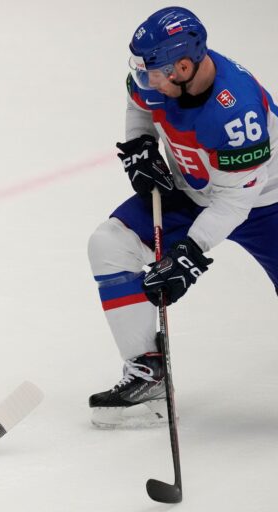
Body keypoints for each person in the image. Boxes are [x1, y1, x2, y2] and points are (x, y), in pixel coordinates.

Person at [87, 7, 278, 428]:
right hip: (194, 188)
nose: (146, 83)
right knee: (109, 243)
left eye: (153, 74)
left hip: (266, 202)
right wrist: (140, 146)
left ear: (184, 67)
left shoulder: (235, 113)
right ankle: (148, 374)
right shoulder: (161, 79)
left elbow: (234, 203)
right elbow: (137, 102)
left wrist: (189, 254)